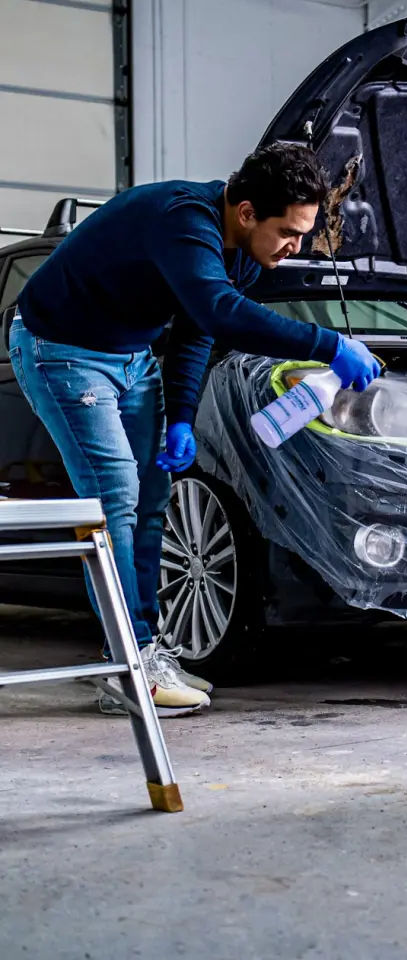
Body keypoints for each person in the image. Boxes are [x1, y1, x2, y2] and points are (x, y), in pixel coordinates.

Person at [8, 143, 379, 716]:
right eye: (289, 231)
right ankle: (127, 667)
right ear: (247, 212)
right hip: (62, 349)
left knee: (154, 497)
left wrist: (181, 416)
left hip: (131, 356)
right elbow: (218, 312)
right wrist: (328, 344)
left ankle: (146, 652)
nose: (297, 247)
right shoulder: (184, 220)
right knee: (115, 498)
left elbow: (194, 331)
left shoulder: (245, 252)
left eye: (304, 235)